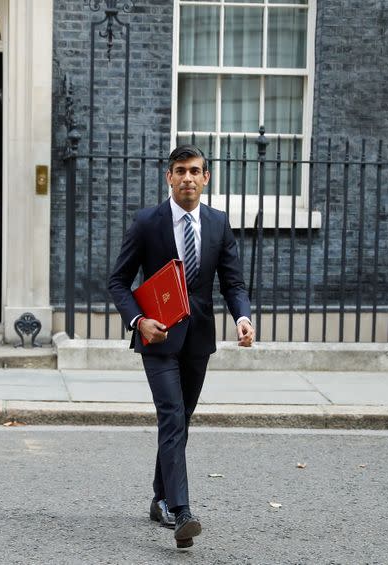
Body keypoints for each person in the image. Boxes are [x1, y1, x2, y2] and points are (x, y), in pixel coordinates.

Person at [108, 144, 254, 549]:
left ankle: (159, 497)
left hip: (198, 340)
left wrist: (242, 317)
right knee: (172, 416)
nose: (187, 177)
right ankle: (182, 512)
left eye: (195, 171)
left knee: (181, 419)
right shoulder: (146, 223)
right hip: (157, 339)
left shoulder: (218, 223)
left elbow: (233, 283)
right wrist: (139, 321)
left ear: (206, 178)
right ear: (168, 178)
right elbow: (118, 282)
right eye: (179, 171)